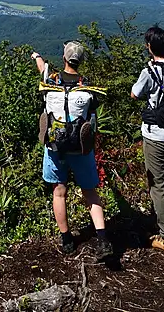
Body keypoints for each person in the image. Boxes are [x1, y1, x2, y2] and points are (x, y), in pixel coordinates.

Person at [32, 41, 113, 258]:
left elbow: (43, 69)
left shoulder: (50, 83)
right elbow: (91, 116)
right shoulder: (87, 89)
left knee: (59, 191)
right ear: (81, 61)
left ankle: (66, 239)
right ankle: (103, 239)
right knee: (90, 193)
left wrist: (37, 56)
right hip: (80, 148)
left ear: (64, 58)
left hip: (55, 147)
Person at [131, 25, 164, 255]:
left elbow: (134, 93)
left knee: (158, 185)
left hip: (155, 135)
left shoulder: (149, 72)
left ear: (150, 48)